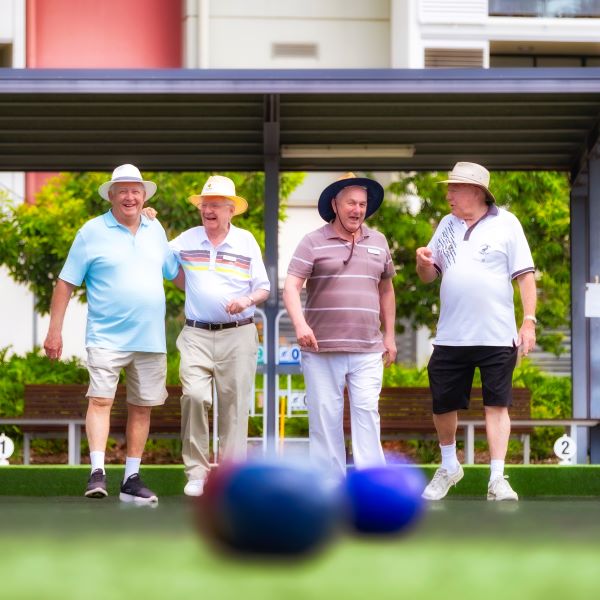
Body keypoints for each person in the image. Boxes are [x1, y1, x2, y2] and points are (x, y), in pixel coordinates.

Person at [44, 164, 180, 505]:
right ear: (112, 195)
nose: (130, 197)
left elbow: (176, 274)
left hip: (150, 339)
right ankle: (97, 472)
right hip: (106, 336)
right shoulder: (91, 232)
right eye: (123, 190)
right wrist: (54, 331)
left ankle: (131, 478)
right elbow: (65, 283)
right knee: (101, 400)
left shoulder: (155, 228)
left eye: (136, 191)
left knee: (142, 407)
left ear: (144, 195)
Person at [416, 161, 536, 502]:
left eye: (454, 188)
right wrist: (423, 264)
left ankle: (497, 479)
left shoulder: (507, 224)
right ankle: (450, 465)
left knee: (497, 405)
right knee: (443, 405)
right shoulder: (445, 224)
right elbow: (428, 275)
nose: (448, 194)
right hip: (451, 335)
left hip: (498, 336)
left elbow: (525, 276)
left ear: (476, 192)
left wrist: (529, 320)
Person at [283, 172, 397, 483]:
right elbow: (291, 287)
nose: (357, 209)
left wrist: (389, 335)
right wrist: (300, 324)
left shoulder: (379, 242)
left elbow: (386, 290)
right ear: (335, 204)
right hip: (321, 349)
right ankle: (328, 488)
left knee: (367, 416)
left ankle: (372, 485)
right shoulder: (312, 241)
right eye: (350, 203)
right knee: (324, 421)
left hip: (368, 349)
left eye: (362, 203)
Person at [169, 175, 270, 497]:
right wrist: (148, 223)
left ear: (230, 210)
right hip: (196, 334)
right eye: (204, 205)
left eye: (215, 206)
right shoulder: (186, 238)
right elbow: (160, 261)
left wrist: (246, 300)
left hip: (238, 334)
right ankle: (196, 473)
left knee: (235, 407)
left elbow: (264, 288)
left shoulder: (246, 241)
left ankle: (229, 477)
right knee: (195, 397)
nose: (208, 210)